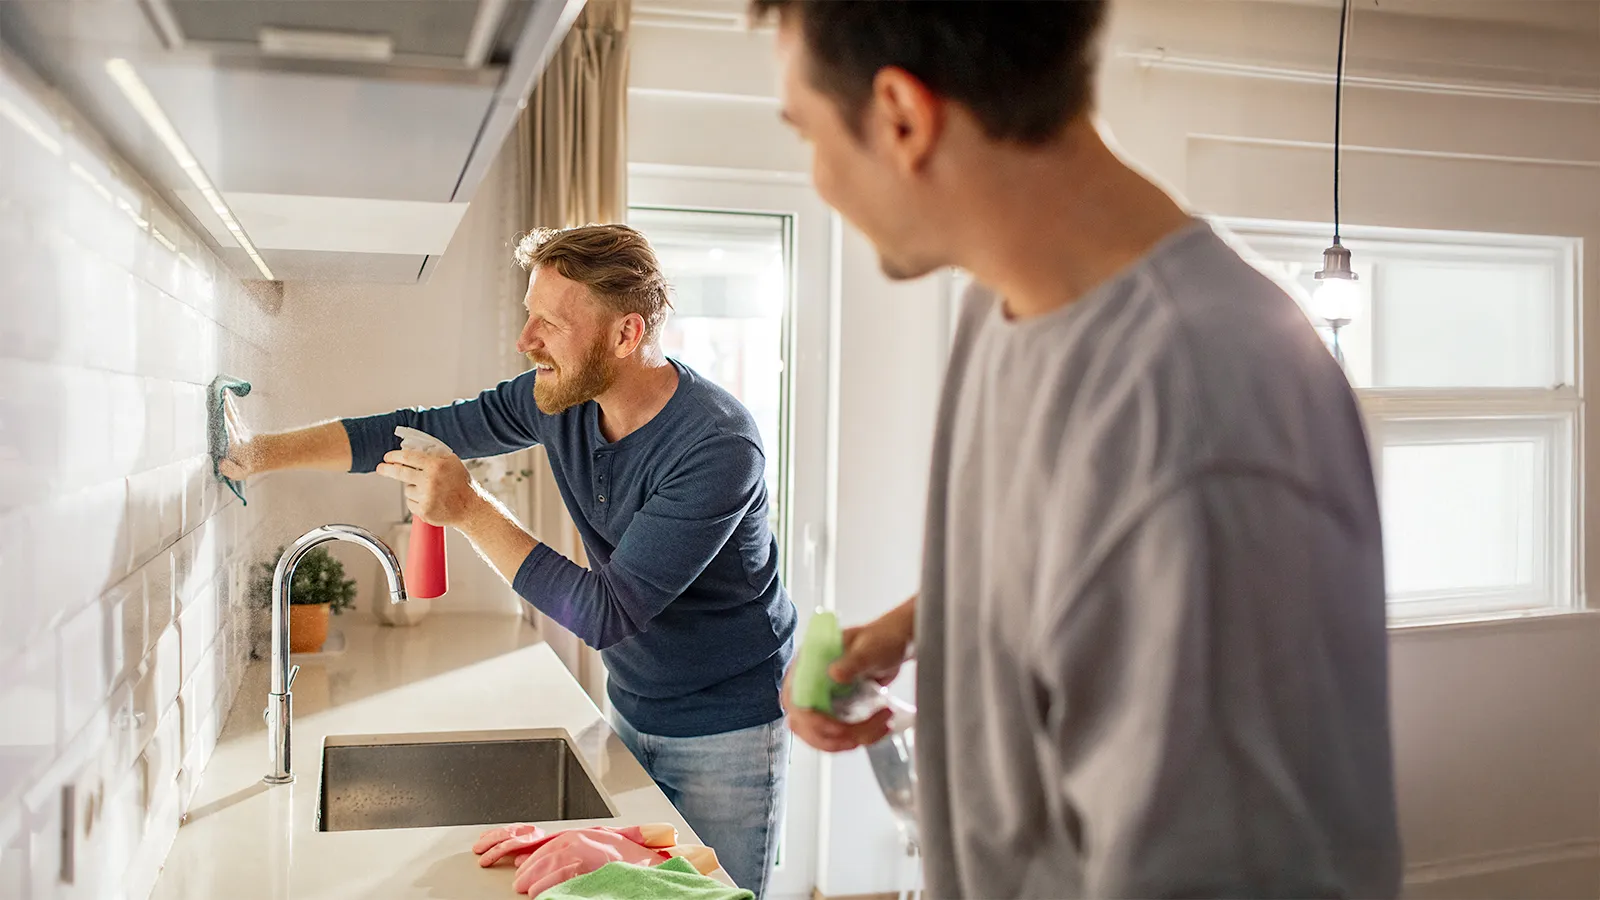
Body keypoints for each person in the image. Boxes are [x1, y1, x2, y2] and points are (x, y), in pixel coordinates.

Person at [756, 2, 1402, 897]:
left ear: (903, 116)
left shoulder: (1202, 409)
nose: (818, 175)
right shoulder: (1007, 298)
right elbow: (1072, 555)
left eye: (808, 132)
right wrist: (914, 630)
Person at [223, 224, 794, 899]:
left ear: (625, 335)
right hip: (632, 706)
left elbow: (608, 613)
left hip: (728, 729)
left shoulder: (717, 445)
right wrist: (256, 455)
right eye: (531, 315)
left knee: (711, 898)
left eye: (549, 323)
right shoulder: (563, 401)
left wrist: (468, 510)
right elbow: (412, 430)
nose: (526, 339)